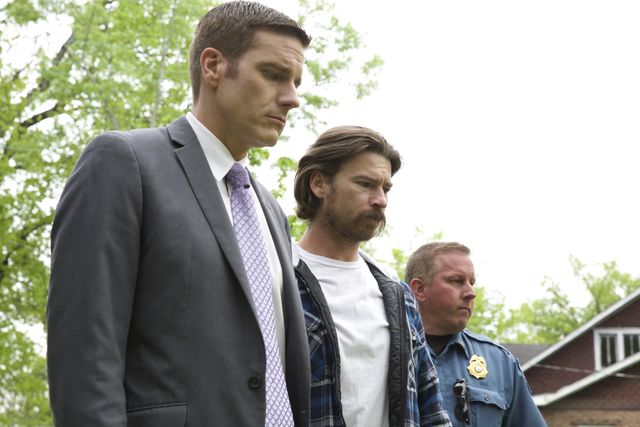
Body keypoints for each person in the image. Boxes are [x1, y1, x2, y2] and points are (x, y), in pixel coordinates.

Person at [47, 2, 312, 426]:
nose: (292, 98)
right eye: (273, 74)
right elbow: (85, 352)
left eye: (296, 83)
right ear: (213, 66)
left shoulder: (271, 212)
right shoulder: (125, 163)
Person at [292, 126, 451, 426]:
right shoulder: (278, 280)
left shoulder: (397, 295)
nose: (380, 200)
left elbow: (431, 405)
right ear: (319, 183)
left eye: (386, 189)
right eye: (365, 184)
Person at [406, 242, 546, 426]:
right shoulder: (385, 351)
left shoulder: (499, 362)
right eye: (456, 281)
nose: (471, 293)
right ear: (419, 289)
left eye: (471, 283)